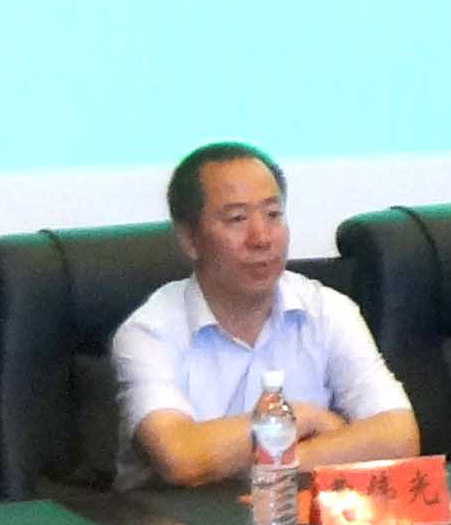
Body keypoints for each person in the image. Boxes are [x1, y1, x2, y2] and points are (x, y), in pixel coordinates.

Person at [109, 142, 421, 485]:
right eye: (237, 219)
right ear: (189, 239)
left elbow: (400, 437)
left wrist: (270, 466)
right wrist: (301, 418)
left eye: (273, 215)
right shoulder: (150, 332)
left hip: (294, 515)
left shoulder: (327, 311)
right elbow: (182, 457)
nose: (261, 238)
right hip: (179, 518)